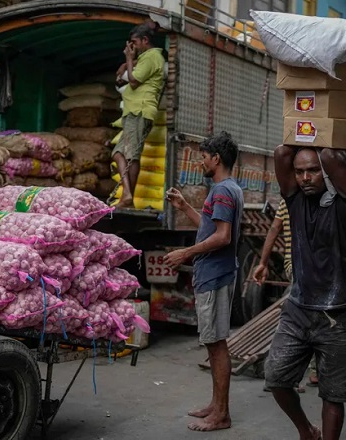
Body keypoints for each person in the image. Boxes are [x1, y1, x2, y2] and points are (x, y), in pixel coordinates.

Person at [265, 146, 346, 440]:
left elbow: (330, 156)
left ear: (326, 172)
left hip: (340, 314)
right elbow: (280, 153)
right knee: (275, 377)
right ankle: (307, 431)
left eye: (312, 170)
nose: (305, 178)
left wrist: (337, 146)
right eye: (299, 172)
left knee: (334, 394)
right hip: (298, 310)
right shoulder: (295, 200)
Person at [163, 132, 243, 432]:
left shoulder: (222, 191)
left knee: (216, 344)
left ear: (216, 159)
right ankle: (216, 404)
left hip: (215, 275)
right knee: (213, 344)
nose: (200, 162)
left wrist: (186, 252)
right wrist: (185, 207)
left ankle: (221, 414)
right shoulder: (228, 188)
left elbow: (223, 237)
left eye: (203, 157)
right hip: (215, 273)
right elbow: (211, 227)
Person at [252, 199, 318, 389]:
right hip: (309, 267)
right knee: (304, 318)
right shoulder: (316, 199)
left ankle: (312, 371)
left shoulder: (287, 200)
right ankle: (280, 372)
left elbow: (274, 229)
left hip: (295, 266)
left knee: (308, 315)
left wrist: (263, 263)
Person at [113, 23, 165, 208]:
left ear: (145, 40)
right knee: (119, 153)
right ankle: (127, 194)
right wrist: (128, 63)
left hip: (140, 111)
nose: (133, 47)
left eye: (135, 43)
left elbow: (134, 81)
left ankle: (127, 196)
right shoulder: (146, 58)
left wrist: (128, 58)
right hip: (133, 111)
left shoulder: (152, 57)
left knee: (131, 156)